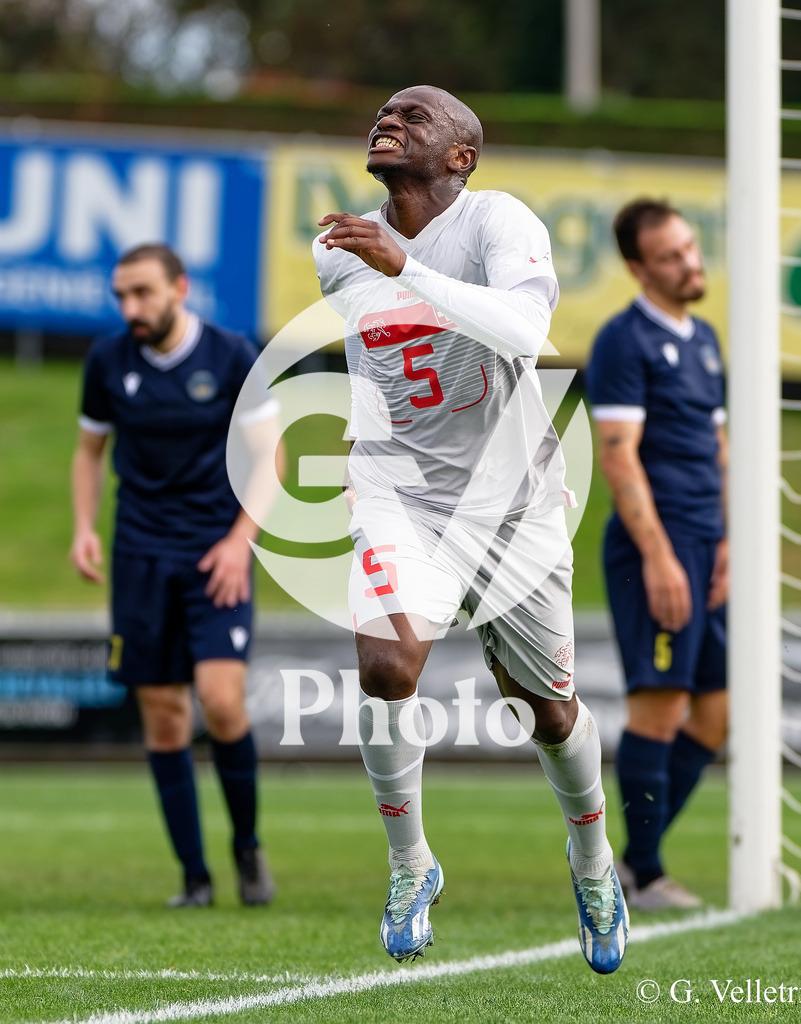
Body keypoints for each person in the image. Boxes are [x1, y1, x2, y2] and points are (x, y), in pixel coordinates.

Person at [312, 85, 628, 974]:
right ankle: (410, 864)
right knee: (386, 664)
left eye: (415, 115)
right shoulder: (338, 251)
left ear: (462, 156)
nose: (389, 117)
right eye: (381, 110)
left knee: (548, 714)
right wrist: (389, 263)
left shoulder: (498, 220)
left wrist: (404, 266)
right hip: (399, 493)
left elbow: (526, 331)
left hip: (513, 504)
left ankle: (592, 863)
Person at [70, 243, 282, 908]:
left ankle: (247, 846)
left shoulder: (231, 354)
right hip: (139, 554)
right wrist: (84, 527)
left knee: (220, 701)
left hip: (215, 554)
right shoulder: (108, 360)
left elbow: (270, 458)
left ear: (179, 288)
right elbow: (89, 450)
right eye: (121, 296)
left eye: (142, 293)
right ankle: (193, 876)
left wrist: (239, 543)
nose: (130, 308)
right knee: (162, 718)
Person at [585, 199, 728, 911]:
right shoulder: (622, 341)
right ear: (638, 268)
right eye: (670, 256)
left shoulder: (704, 338)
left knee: (714, 714)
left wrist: (727, 540)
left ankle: (623, 862)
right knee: (661, 709)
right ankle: (640, 873)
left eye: (690, 248)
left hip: (709, 546)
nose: (689, 263)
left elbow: (717, 446)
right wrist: (660, 556)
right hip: (659, 548)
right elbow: (618, 457)